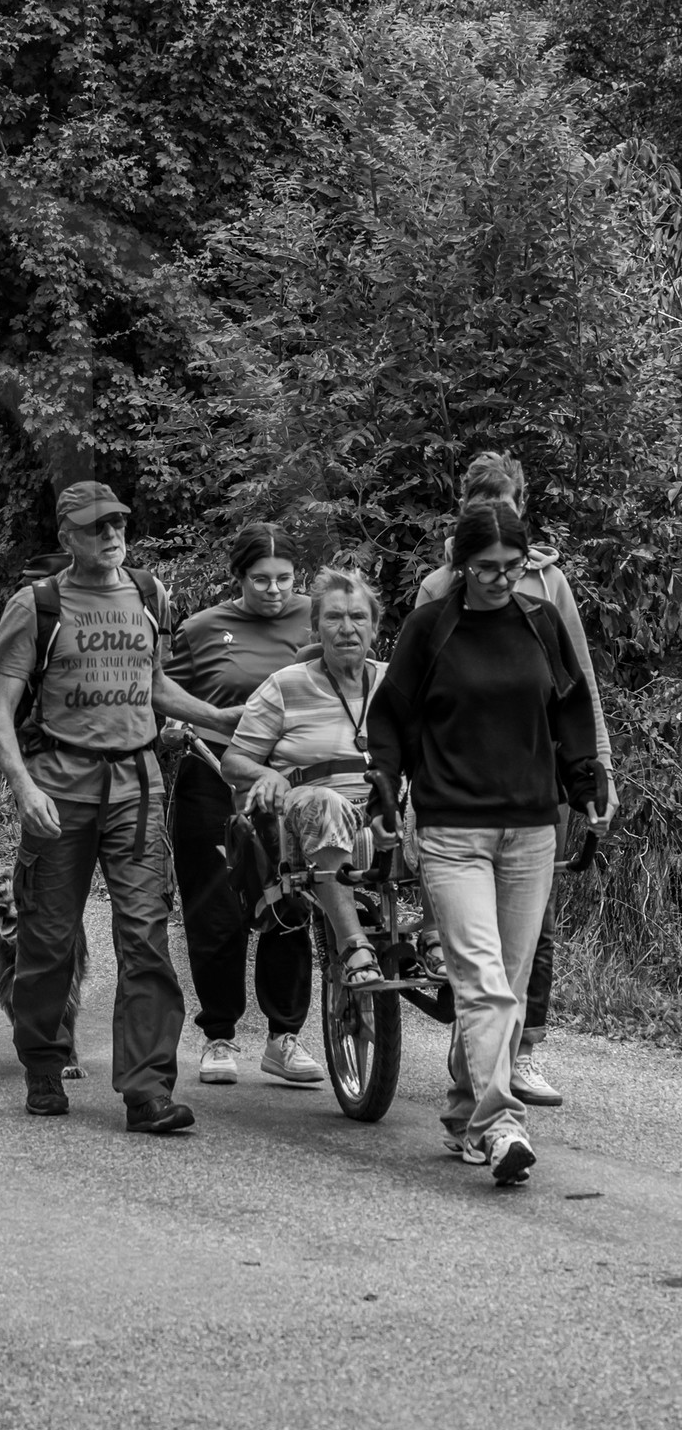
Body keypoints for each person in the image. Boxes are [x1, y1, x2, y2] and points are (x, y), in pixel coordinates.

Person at [0, 481, 246, 1135]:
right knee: (48, 942)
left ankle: (147, 1090)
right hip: (61, 789)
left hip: (139, 786)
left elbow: (151, 683)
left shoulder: (149, 595)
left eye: (119, 523)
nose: (112, 535)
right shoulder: (36, 606)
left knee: (146, 940)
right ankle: (43, 1063)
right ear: (67, 537)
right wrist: (25, 788)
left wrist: (214, 716)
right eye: (97, 527)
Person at [368, 501, 613, 1186]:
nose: (502, 580)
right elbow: (388, 715)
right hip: (451, 829)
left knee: (502, 981)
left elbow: (570, 707)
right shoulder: (432, 627)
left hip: (532, 828)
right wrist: (386, 785)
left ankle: (461, 1111)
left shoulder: (541, 624)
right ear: (460, 566)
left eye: (513, 567)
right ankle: (502, 1124)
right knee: (482, 982)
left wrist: (586, 781)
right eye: (486, 568)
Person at [414, 451, 615, 1107]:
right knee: (475, 946)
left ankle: (518, 1052)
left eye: (509, 499)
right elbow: (413, 696)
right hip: (458, 780)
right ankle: (482, 1079)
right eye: (484, 504)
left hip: (534, 775)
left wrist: (599, 768)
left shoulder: (548, 585)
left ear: (523, 504)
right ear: (465, 511)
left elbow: (576, 683)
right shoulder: (438, 588)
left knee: (531, 932)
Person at [164, 523, 323, 1087]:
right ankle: (219, 1036)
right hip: (212, 777)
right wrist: (180, 724)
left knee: (289, 902)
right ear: (238, 577)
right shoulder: (202, 629)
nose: (274, 590)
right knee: (216, 910)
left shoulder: (318, 617)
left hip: (291, 783)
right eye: (261, 580)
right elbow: (168, 697)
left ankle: (285, 1036)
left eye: (284, 579)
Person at [219, 569, 397, 998]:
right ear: (316, 625)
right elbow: (234, 761)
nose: (347, 628)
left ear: (375, 625)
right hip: (310, 807)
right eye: (334, 617)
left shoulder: (396, 682)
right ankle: (354, 946)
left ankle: (434, 940)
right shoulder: (285, 685)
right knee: (325, 803)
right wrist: (265, 774)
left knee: (444, 803)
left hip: (383, 804)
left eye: (358, 617)